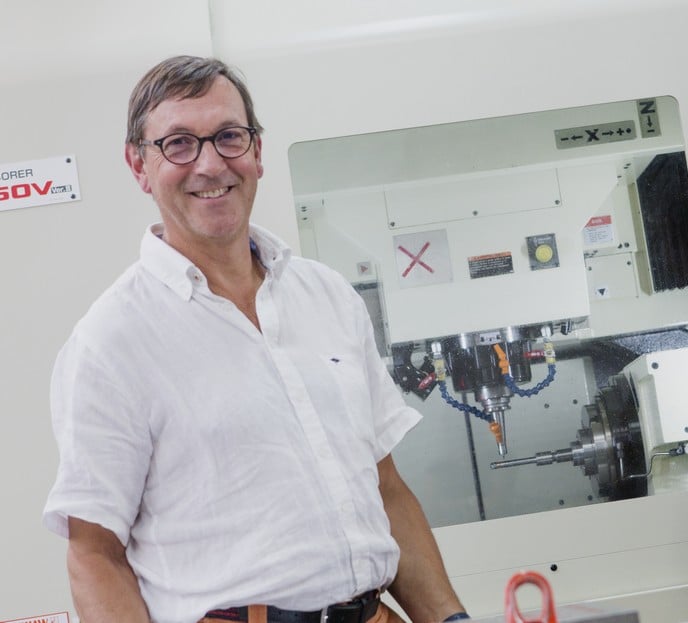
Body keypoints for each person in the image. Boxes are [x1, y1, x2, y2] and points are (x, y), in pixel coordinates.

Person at [42, 55, 470, 623]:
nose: (210, 163)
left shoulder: (328, 296)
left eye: (228, 137)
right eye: (178, 144)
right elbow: (94, 554)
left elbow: (386, 488)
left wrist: (451, 619)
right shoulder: (110, 341)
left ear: (258, 151)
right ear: (139, 166)